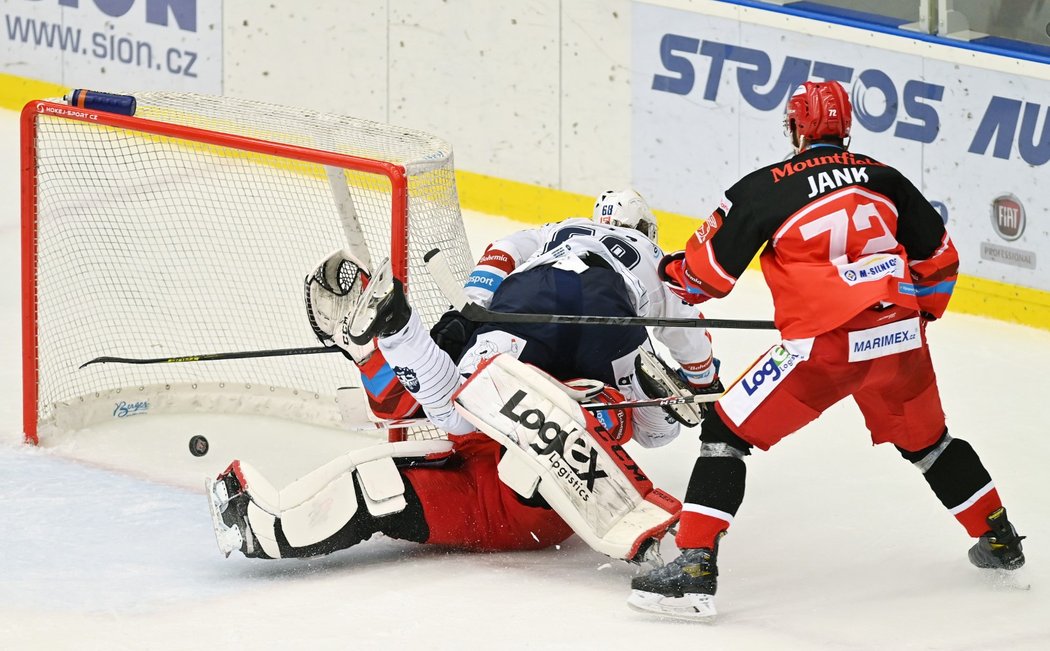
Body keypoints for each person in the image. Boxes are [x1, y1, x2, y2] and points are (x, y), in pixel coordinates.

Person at [628, 81, 1026, 621]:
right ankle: (999, 537)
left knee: (726, 431)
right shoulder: (886, 178)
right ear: (846, 129)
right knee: (931, 443)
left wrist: (668, 269)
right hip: (900, 340)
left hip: (823, 351)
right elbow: (940, 262)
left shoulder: (764, 188)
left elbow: (704, 280)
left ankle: (694, 565)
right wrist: (916, 314)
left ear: (794, 128)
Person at [207, 189, 722, 565]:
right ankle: (396, 341)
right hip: (608, 328)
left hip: (525, 308)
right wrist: (704, 380)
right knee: (656, 429)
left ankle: (394, 338)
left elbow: (502, 252)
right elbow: (688, 325)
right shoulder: (657, 260)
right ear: (648, 232)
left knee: (440, 425)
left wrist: (475, 304)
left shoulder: (561, 230)